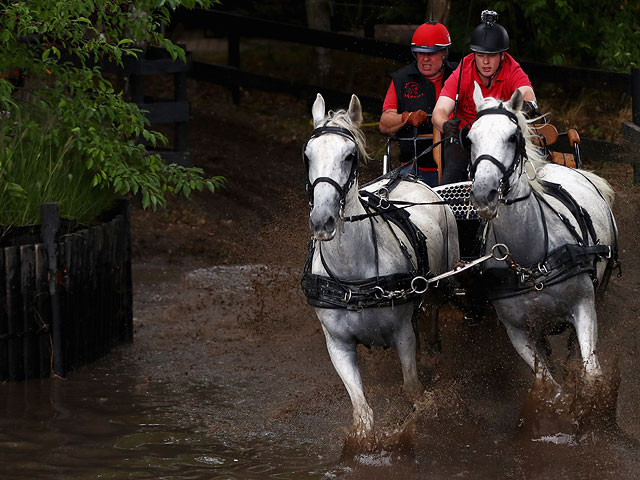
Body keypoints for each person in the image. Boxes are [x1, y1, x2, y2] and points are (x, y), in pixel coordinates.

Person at [432, 10, 540, 185]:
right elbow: (439, 110)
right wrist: (445, 124)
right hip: (467, 136)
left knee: (530, 169)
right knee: (453, 174)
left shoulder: (511, 67)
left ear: (502, 55)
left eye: (491, 56)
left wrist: (528, 104)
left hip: (500, 137)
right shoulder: (463, 70)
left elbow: (527, 93)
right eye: (480, 55)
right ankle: (450, 208)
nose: (485, 62)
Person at [379, 21, 457, 186]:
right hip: (412, 168)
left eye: (432, 53)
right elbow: (384, 124)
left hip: (456, 167)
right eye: (421, 53)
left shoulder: (459, 75)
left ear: (444, 53)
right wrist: (406, 117)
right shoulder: (401, 79)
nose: (425, 59)